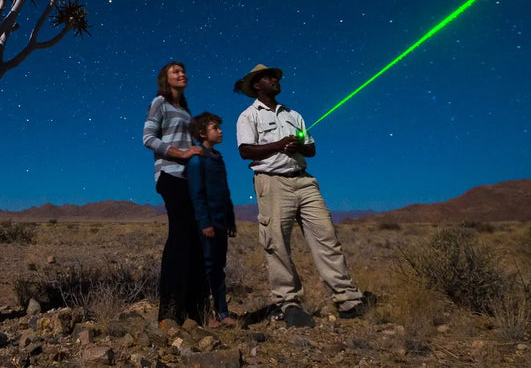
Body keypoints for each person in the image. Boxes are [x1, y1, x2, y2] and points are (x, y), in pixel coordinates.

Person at [234, 64, 367, 328]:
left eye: (275, 76)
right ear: (257, 85)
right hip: (272, 183)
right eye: (268, 77)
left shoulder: (294, 114)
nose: (275, 79)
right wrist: (278, 145)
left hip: (304, 181)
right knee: (277, 243)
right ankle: (289, 303)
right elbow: (245, 151)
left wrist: (299, 146)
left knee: (326, 237)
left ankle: (346, 298)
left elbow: (312, 148)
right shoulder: (248, 116)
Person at [142, 61, 210, 325]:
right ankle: (170, 310)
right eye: (175, 71)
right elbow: (147, 138)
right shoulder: (159, 102)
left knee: (194, 239)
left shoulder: (185, 109)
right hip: (169, 175)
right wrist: (181, 153)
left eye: (183, 70)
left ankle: (194, 309)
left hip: (188, 178)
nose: (182, 74)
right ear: (165, 79)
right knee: (180, 236)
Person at [187, 112, 238, 327]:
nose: (220, 131)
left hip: (220, 222)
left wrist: (230, 220)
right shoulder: (197, 160)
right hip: (206, 224)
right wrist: (204, 221)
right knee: (205, 269)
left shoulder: (218, 159)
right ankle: (204, 313)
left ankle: (223, 313)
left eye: (219, 127)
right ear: (202, 133)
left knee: (218, 268)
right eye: (215, 128)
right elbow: (196, 193)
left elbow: (225, 192)